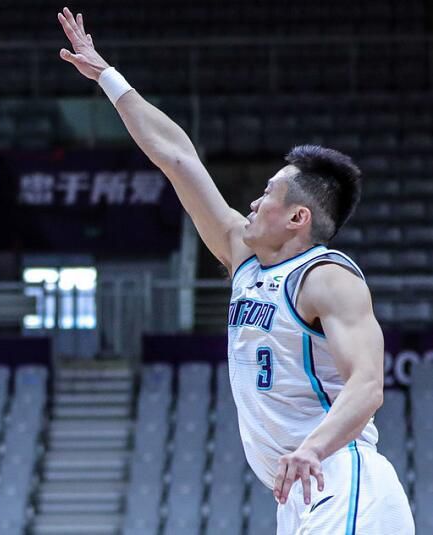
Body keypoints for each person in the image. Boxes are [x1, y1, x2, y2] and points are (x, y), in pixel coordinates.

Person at [57, 7, 414, 534]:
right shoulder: (243, 257)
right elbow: (178, 157)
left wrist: (311, 449)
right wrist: (108, 77)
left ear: (299, 217)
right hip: (299, 492)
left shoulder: (327, 277)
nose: (251, 201)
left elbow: (367, 385)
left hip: (341, 476)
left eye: (268, 192)